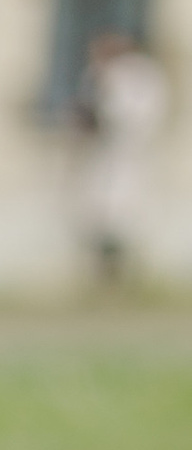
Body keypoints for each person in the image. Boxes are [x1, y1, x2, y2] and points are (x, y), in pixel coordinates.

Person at [76, 27, 170, 286]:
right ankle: (104, 272)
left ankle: (123, 271)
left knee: (126, 212)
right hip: (102, 156)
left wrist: (105, 120)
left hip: (129, 155)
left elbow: (132, 115)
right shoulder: (98, 73)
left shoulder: (139, 75)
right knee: (99, 212)